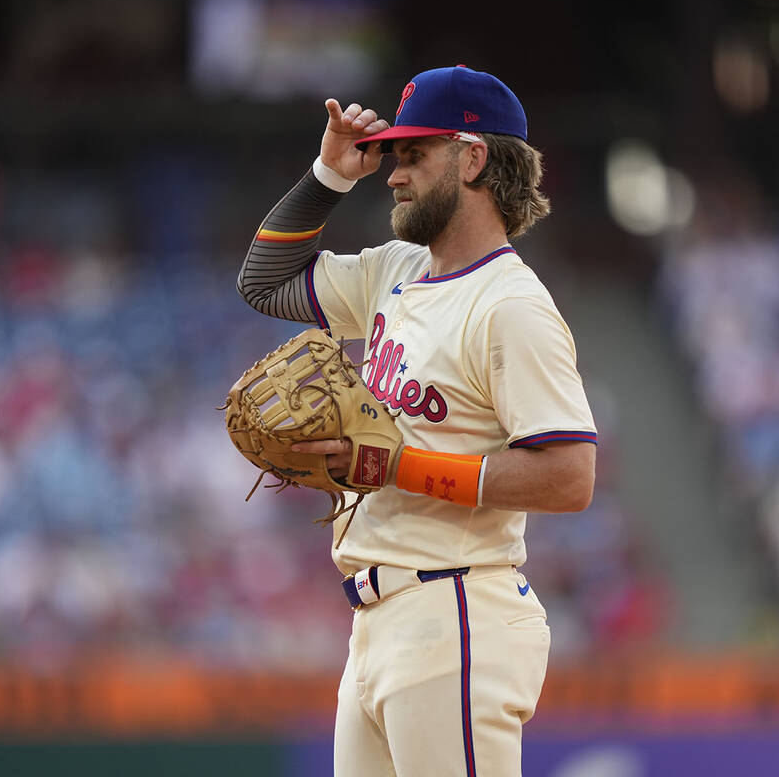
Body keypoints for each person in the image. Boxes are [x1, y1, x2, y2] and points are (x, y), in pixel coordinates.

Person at [237, 65, 596, 777]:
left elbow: (569, 478)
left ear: (473, 157)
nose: (394, 175)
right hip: (377, 622)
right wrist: (328, 175)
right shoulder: (394, 270)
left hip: (455, 610)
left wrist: (397, 467)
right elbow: (263, 282)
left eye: (413, 154)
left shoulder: (510, 306)